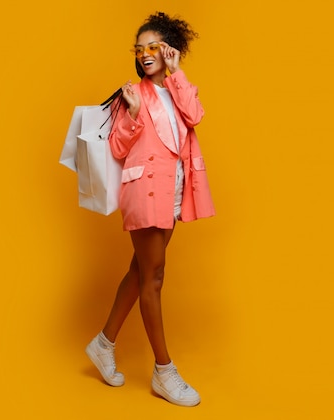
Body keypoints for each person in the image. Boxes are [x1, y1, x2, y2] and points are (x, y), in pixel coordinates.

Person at [84, 12, 215, 407]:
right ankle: (164, 371)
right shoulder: (133, 94)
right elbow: (118, 149)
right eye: (139, 49)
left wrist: (177, 74)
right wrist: (135, 116)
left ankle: (103, 344)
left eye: (152, 46)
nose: (144, 54)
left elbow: (195, 116)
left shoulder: (177, 88)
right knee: (153, 278)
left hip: (172, 191)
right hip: (145, 192)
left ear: (170, 49)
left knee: (140, 269)